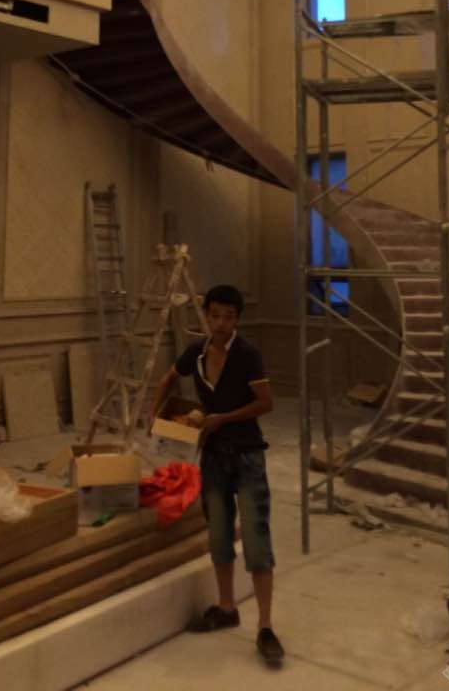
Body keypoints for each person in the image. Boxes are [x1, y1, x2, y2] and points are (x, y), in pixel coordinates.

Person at [149, 283, 285, 665]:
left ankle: (266, 627)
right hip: (212, 458)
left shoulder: (247, 355)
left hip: (246, 457)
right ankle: (227, 607)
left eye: (229, 316)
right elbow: (168, 378)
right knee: (219, 534)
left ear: (237, 319)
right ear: (207, 316)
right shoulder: (196, 352)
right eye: (215, 315)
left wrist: (223, 418)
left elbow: (266, 403)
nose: (221, 323)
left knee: (256, 540)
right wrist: (154, 414)